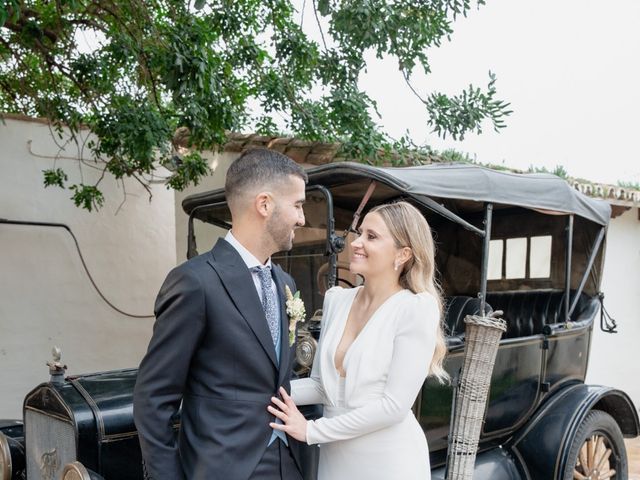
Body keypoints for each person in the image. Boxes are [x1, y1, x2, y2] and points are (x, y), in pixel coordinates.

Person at [133, 148, 307, 480]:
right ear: (264, 204)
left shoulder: (285, 282)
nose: (301, 218)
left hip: (289, 462)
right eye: (297, 205)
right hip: (223, 468)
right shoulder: (196, 282)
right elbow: (152, 398)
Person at [268, 201, 448, 480]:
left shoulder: (416, 308)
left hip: (390, 463)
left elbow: (393, 407)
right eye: (360, 233)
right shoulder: (337, 300)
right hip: (335, 463)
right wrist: (264, 390)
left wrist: (311, 431)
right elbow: (321, 385)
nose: (355, 242)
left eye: (371, 237)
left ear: (403, 254)